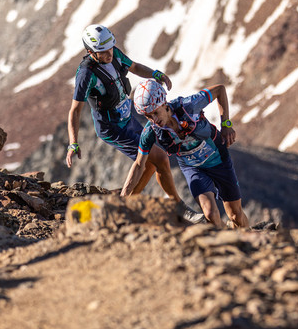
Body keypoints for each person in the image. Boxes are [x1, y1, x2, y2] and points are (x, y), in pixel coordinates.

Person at [66, 24, 203, 223]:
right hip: (113, 129)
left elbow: (135, 67)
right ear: (90, 52)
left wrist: (157, 74)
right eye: (102, 52)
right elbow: (75, 111)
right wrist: (73, 143)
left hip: (128, 120)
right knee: (160, 158)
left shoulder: (114, 53)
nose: (108, 54)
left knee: (149, 165)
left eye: (110, 48)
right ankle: (177, 206)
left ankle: (124, 206)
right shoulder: (86, 74)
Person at [121, 79, 249, 229]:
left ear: (164, 103)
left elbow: (220, 89)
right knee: (210, 214)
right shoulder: (149, 132)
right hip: (193, 168)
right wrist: (123, 198)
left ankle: (250, 237)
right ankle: (229, 240)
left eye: (155, 112)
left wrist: (226, 124)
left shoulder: (189, 105)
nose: (154, 120)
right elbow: (138, 164)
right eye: (148, 116)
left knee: (236, 215)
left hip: (218, 160)